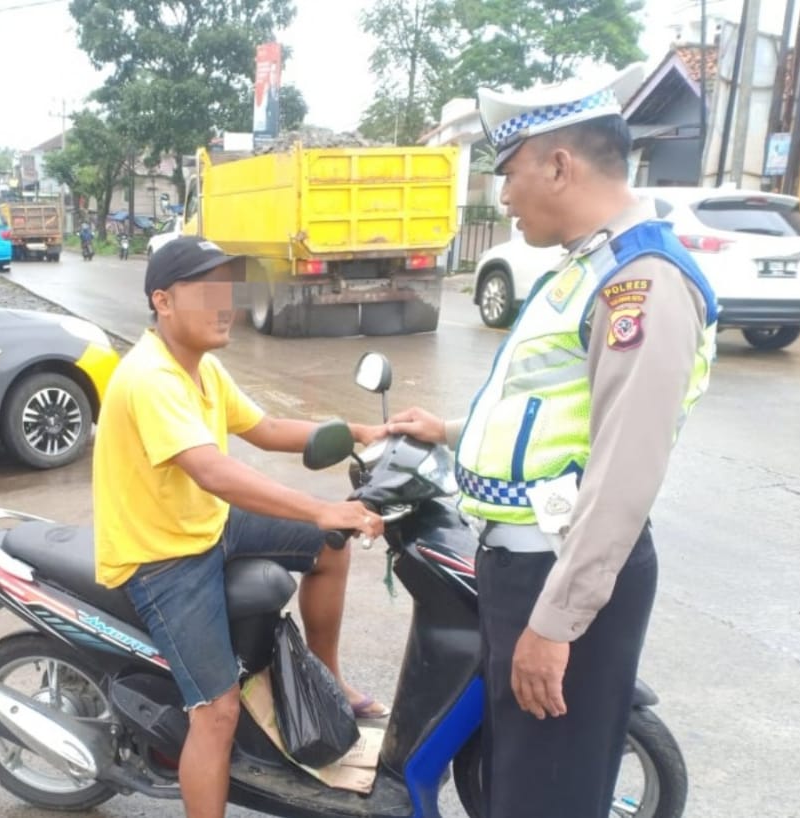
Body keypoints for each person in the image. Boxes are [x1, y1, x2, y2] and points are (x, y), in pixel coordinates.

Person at [380, 66, 718, 818]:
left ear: (560, 165)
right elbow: (547, 406)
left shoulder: (642, 282)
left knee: (548, 799)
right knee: (519, 787)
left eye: (510, 173)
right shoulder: (583, 271)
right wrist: (449, 432)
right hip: (520, 565)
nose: (503, 196)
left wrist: (554, 623)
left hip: (560, 575)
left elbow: (626, 467)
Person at [92, 236, 387, 818]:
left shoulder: (203, 367)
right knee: (217, 710)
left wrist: (359, 430)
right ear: (164, 302)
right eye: (206, 290)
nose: (224, 302)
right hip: (160, 556)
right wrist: (319, 507)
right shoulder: (151, 377)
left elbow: (267, 427)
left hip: (206, 524)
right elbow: (212, 470)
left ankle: (327, 680)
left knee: (332, 545)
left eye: (228, 287)